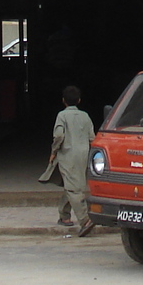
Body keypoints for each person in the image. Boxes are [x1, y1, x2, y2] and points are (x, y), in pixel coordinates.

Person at [41, 85, 96, 237]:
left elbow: (59, 135)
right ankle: (64, 216)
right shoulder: (85, 116)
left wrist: (53, 152)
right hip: (83, 154)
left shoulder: (62, 116)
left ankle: (85, 220)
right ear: (79, 100)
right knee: (72, 183)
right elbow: (92, 137)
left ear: (63, 101)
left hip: (68, 154)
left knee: (73, 189)